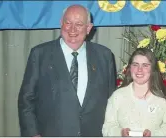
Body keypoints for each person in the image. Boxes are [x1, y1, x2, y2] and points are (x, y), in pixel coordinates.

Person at [17, 5, 116, 137]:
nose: (72, 29)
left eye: (79, 24)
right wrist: (32, 134)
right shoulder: (40, 54)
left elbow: (112, 101)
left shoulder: (104, 55)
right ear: (60, 24)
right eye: (68, 23)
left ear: (88, 28)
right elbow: (26, 100)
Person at [102, 48, 166, 137]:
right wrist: (120, 133)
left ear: (153, 69)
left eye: (145, 65)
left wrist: (153, 135)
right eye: (135, 65)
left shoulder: (164, 98)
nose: (139, 70)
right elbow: (107, 128)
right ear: (130, 68)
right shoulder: (117, 96)